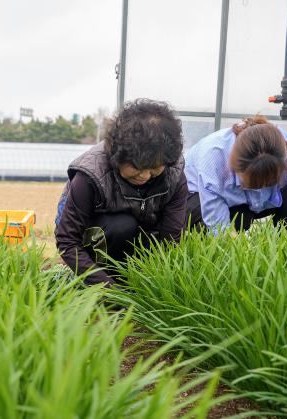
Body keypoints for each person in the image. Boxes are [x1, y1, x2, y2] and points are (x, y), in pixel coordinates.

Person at [54, 99, 188, 285]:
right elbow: (68, 241)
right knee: (122, 225)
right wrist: (109, 291)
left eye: (155, 168)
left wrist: (157, 285)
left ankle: (130, 279)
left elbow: (170, 240)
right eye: (137, 167)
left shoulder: (173, 175)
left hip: (137, 232)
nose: (146, 176)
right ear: (117, 155)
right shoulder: (89, 176)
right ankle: (100, 278)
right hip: (98, 234)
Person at [184, 115, 287, 235]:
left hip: (253, 202)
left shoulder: (286, 151)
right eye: (252, 184)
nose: (260, 189)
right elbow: (219, 227)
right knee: (237, 220)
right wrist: (253, 264)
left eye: (269, 183)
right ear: (235, 166)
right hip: (197, 196)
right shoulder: (213, 159)